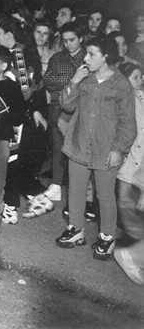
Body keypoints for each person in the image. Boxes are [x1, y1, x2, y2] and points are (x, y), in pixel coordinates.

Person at [56, 37, 136, 259]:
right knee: (76, 190)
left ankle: (107, 237)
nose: (86, 58)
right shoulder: (85, 78)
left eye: (92, 54)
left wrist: (118, 149)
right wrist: (74, 80)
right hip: (79, 145)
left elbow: (128, 123)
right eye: (86, 53)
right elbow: (66, 105)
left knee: (105, 195)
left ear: (106, 57)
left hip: (106, 150)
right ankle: (76, 229)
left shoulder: (121, 85)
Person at [35, 22, 85, 209]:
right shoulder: (57, 58)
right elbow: (48, 80)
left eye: (72, 40)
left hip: (80, 107)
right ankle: (56, 184)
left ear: (81, 39)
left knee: (76, 148)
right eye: (64, 41)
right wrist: (73, 81)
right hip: (57, 105)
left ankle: (76, 189)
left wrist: (65, 84)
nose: (68, 44)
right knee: (57, 144)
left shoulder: (88, 58)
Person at [0, 46, 26, 236]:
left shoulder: (11, 86)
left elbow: (19, 115)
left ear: (4, 65)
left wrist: (3, 116)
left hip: (0, 139)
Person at [114, 62, 144, 284]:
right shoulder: (124, 101)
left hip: (139, 168)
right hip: (128, 168)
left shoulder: (140, 98)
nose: (140, 81)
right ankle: (129, 254)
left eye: (141, 77)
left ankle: (132, 253)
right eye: (135, 77)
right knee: (130, 215)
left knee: (133, 217)